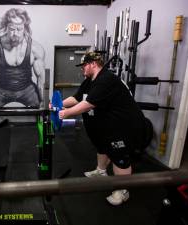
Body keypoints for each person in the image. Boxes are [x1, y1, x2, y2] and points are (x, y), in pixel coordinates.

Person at [57, 52, 146, 206]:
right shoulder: (89, 81)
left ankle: (122, 190)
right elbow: (77, 98)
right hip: (107, 126)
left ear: (93, 64)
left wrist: (66, 113)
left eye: (84, 65)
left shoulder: (106, 79)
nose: (82, 69)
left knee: (120, 157)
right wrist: (59, 104)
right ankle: (101, 171)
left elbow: (88, 104)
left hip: (123, 126)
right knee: (102, 146)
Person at [0, 8, 45, 108]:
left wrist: (43, 100)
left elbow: (41, 78)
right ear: (6, 27)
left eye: (19, 29)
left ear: (25, 28)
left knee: (43, 113)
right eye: (12, 29)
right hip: (2, 90)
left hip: (27, 90)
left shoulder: (35, 49)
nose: (15, 33)